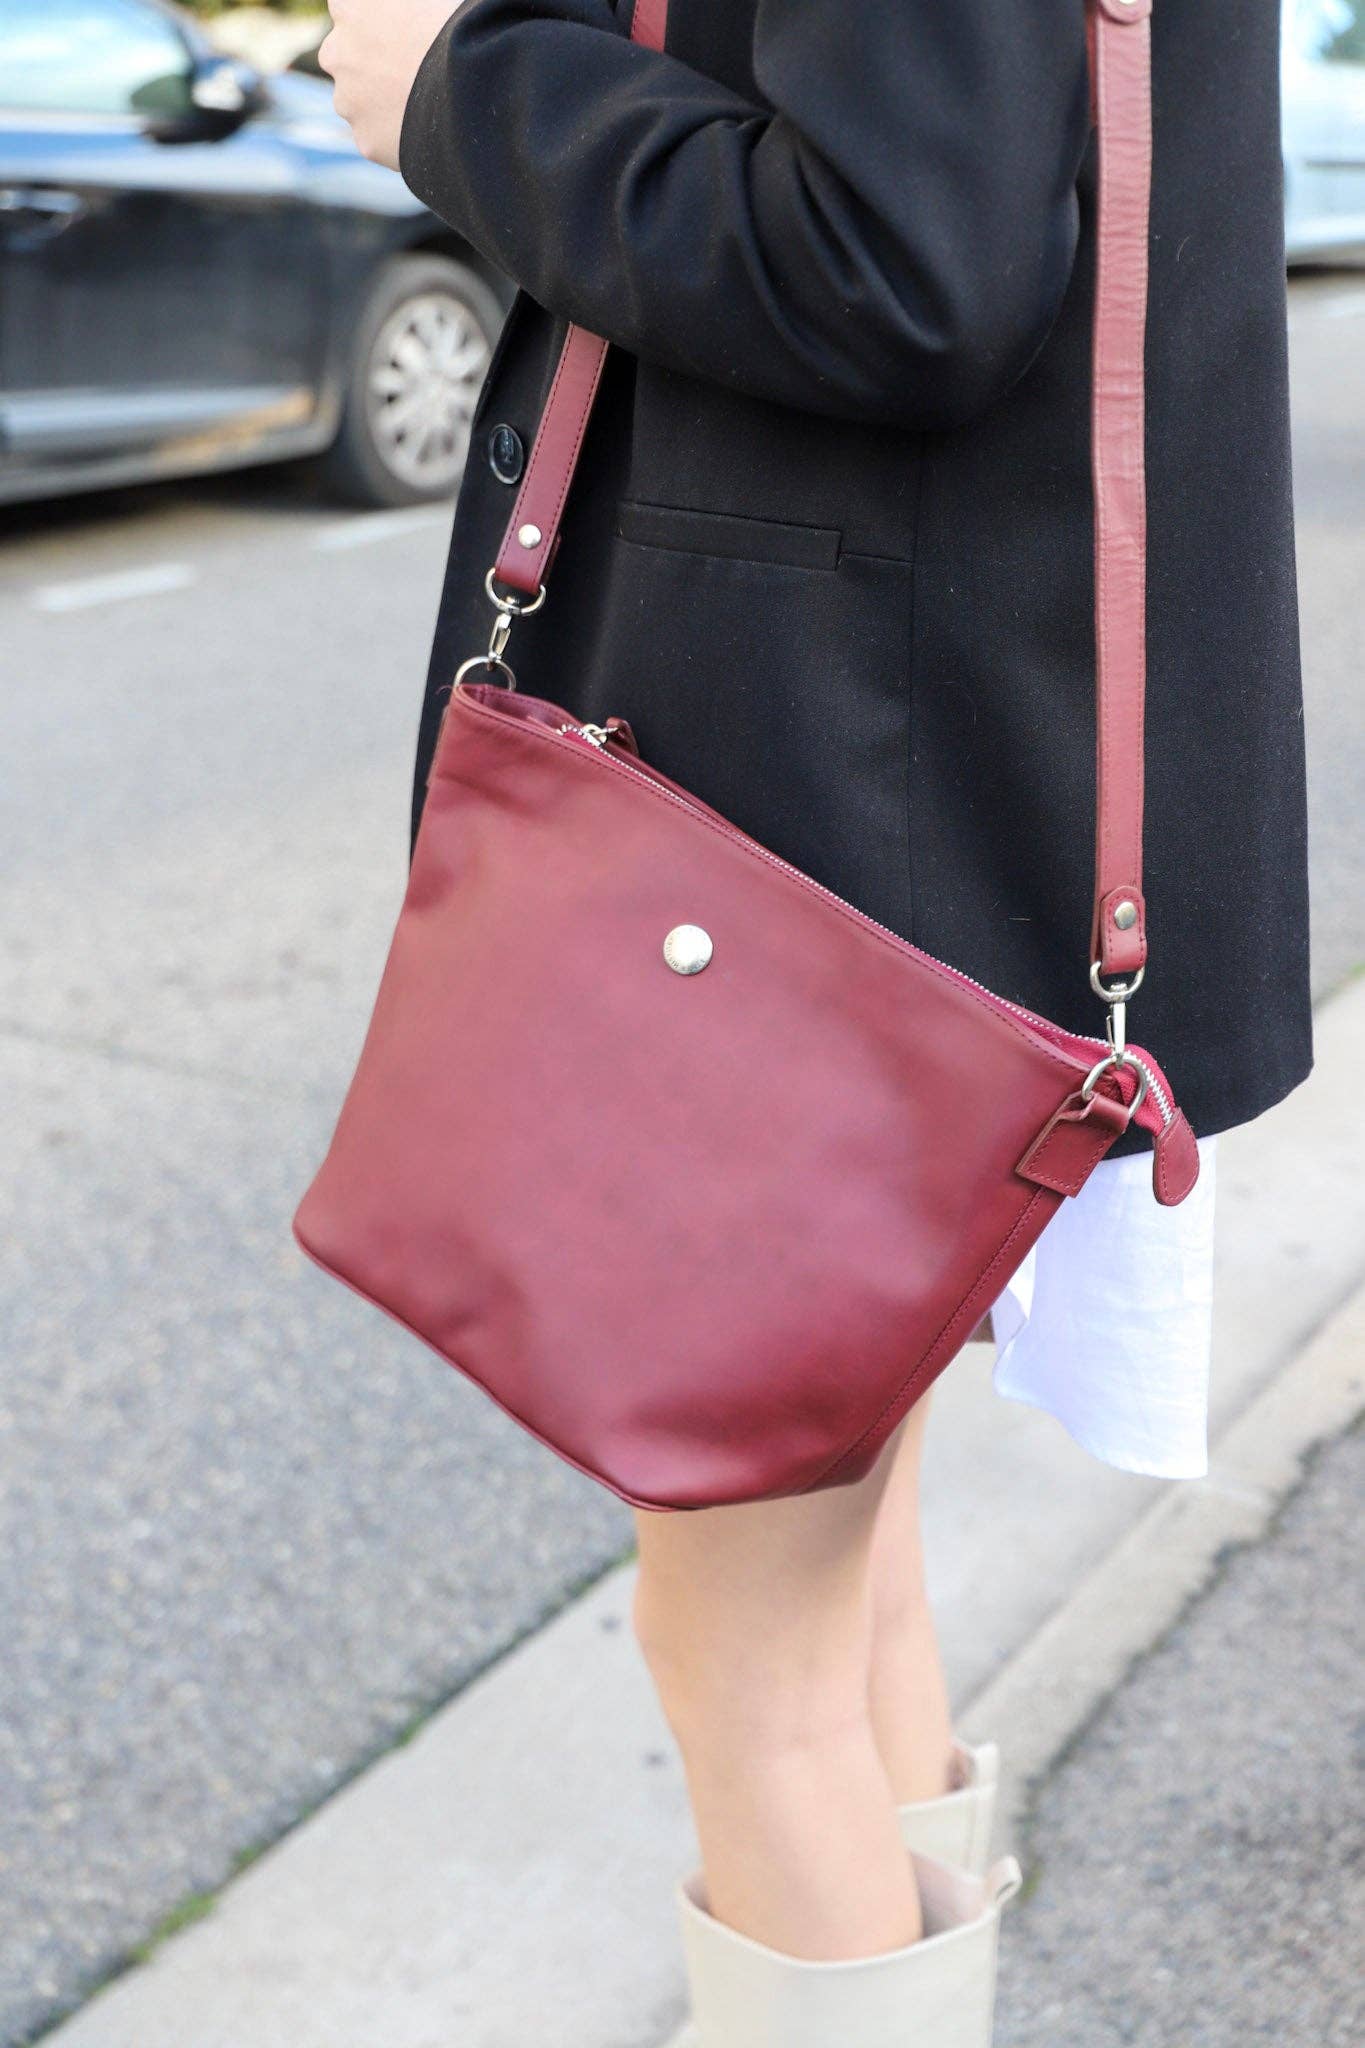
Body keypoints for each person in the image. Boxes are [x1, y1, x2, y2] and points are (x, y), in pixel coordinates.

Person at [317, 0, 1313, 2039]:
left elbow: (902, 259)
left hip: (814, 806)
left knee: (743, 1662)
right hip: (912, 788)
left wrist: (456, 85)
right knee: (843, 1594)